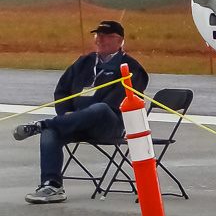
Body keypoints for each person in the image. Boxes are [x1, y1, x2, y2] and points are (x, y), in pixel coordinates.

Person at [12, 20, 149, 204]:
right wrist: (66, 113)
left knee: (100, 108)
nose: (99, 41)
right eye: (97, 37)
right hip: (73, 122)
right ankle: (52, 185)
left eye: (104, 37)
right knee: (50, 132)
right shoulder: (84, 62)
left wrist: (82, 115)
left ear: (118, 40)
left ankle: (42, 124)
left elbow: (119, 102)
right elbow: (62, 91)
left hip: (109, 125)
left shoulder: (131, 68)